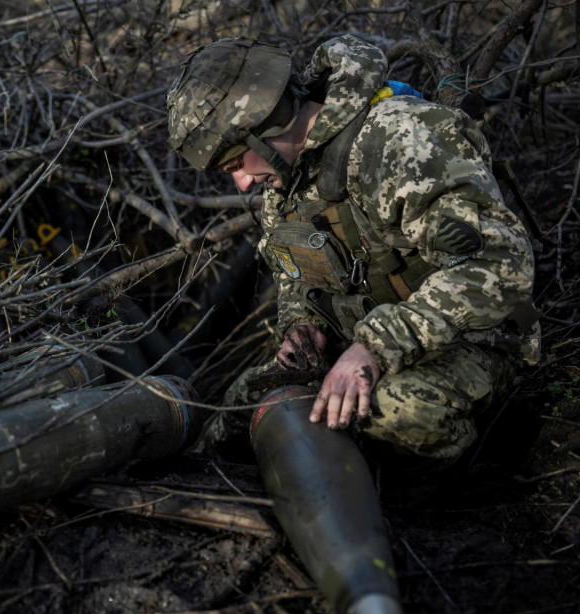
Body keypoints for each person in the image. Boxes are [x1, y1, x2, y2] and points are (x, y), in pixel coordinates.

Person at [166, 35, 541, 464]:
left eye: (236, 164)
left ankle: (478, 481)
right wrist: (302, 327)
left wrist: (374, 346)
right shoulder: (284, 184)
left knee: (396, 413)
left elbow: (496, 265)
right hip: (362, 349)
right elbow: (296, 280)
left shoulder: (400, 139)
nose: (243, 184)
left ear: (267, 130)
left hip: (471, 339)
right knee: (240, 411)